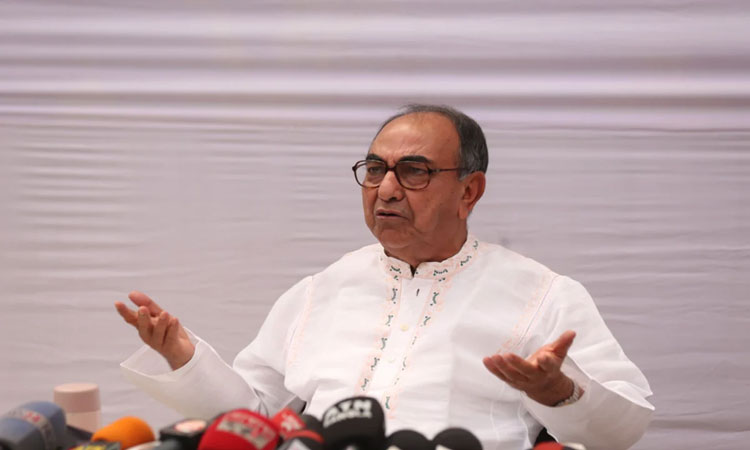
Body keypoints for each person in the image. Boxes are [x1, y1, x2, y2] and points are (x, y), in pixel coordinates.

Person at [115, 104, 654, 450]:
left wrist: (559, 391)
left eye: (414, 171)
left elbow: (624, 429)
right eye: (375, 170)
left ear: (469, 191)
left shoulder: (543, 295)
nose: (387, 189)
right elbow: (253, 418)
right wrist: (184, 357)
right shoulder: (322, 289)